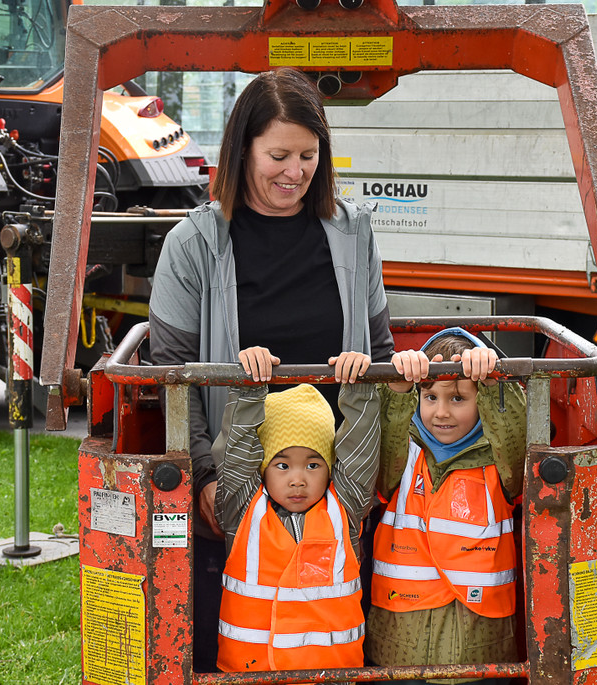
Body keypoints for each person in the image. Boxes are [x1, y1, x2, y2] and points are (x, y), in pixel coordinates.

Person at [148, 67, 395, 673]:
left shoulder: (353, 231)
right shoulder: (195, 243)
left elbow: (382, 346)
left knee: (330, 644)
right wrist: (206, 477)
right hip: (236, 493)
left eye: (309, 156)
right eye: (278, 155)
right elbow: (172, 375)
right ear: (242, 151)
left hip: (333, 488)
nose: (295, 172)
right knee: (231, 647)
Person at [365, 328, 527, 682]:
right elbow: (382, 439)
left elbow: (515, 438)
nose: (441, 412)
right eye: (430, 396)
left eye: (458, 399)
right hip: (399, 645)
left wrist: (493, 381)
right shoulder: (402, 451)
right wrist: (398, 387)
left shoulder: (498, 461)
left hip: (478, 647)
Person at [213, 378, 379, 671]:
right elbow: (235, 451)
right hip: (251, 677)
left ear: (330, 469)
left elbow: (360, 451)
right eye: (282, 465)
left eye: (313, 465)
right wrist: (249, 388)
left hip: (331, 678)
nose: (298, 479)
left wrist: (359, 389)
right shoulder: (241, 508)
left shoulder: (345, 509)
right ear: (263, 467)